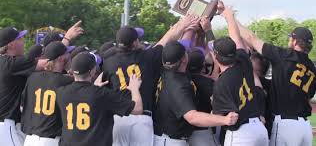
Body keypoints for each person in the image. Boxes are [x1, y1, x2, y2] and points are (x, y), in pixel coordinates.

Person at [102, 15, 199, 146]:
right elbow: (168, 37)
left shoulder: (108, 63)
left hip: (119, 117)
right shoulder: (146, 57)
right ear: (135, 42)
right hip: (142, 117)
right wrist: (184, 24)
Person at [239, 23, 316, 145]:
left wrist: (230, 18)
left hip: (285, 125)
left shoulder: (284, 55)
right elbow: (309, 97)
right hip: (305, 127)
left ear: (295, 42)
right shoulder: (312, 68)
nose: (289, 40)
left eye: (291, 38)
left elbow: (251, 38)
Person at [153, 41, 238, 146]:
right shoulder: (178, 85)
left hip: (166, 137)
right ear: (184, 59)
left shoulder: (166, 70)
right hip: (171, 140)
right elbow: (192, 117)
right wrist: (225, 120)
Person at [210, 1, 268, 146]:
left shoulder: (221, 83)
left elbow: (218, 115)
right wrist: (228, 15)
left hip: (242, 133)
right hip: (259, 129)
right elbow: (236, 37)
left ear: (216, 56)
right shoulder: (244, 62)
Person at [56, 52, 143, 146]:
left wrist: (94, 87)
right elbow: (137, 109)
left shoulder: (61, 92)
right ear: (92, 71)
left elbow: (82, 95)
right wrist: (134, 88)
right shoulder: (101, 94)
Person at [0, 27, 47, 146]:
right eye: (20, 38)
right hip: (5, 125)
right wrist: (66, 39)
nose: (23, 41)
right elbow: (47, 63)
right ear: (11, 44)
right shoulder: (12, 63)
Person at [21, 41, 74, 146]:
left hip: (30, 140)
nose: (70, 55)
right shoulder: (66, 81)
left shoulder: (32, 78)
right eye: (67, 53)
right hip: (51, 140)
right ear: (61, 58)